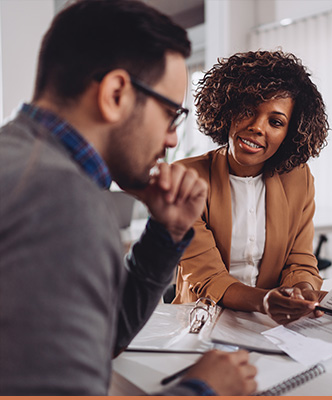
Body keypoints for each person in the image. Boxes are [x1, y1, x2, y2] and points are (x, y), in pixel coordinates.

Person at [0, 0, 257, 396]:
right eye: (171, 114)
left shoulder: (19, 160)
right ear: (116, 93)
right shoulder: (62, 201)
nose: (172, 138)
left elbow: (99, 335)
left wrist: (166, 233)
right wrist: (204, 389)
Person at [173, 50, 330, 325]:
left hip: (269, 326)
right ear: (229, 109)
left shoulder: (299, 179)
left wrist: (303, 295)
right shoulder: (185, 177)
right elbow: (207, 277)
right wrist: (266, 301)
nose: (257, 127)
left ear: (290, 132)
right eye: (248, 110)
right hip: (200, 321)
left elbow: (300, 261)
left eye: (276, 122)